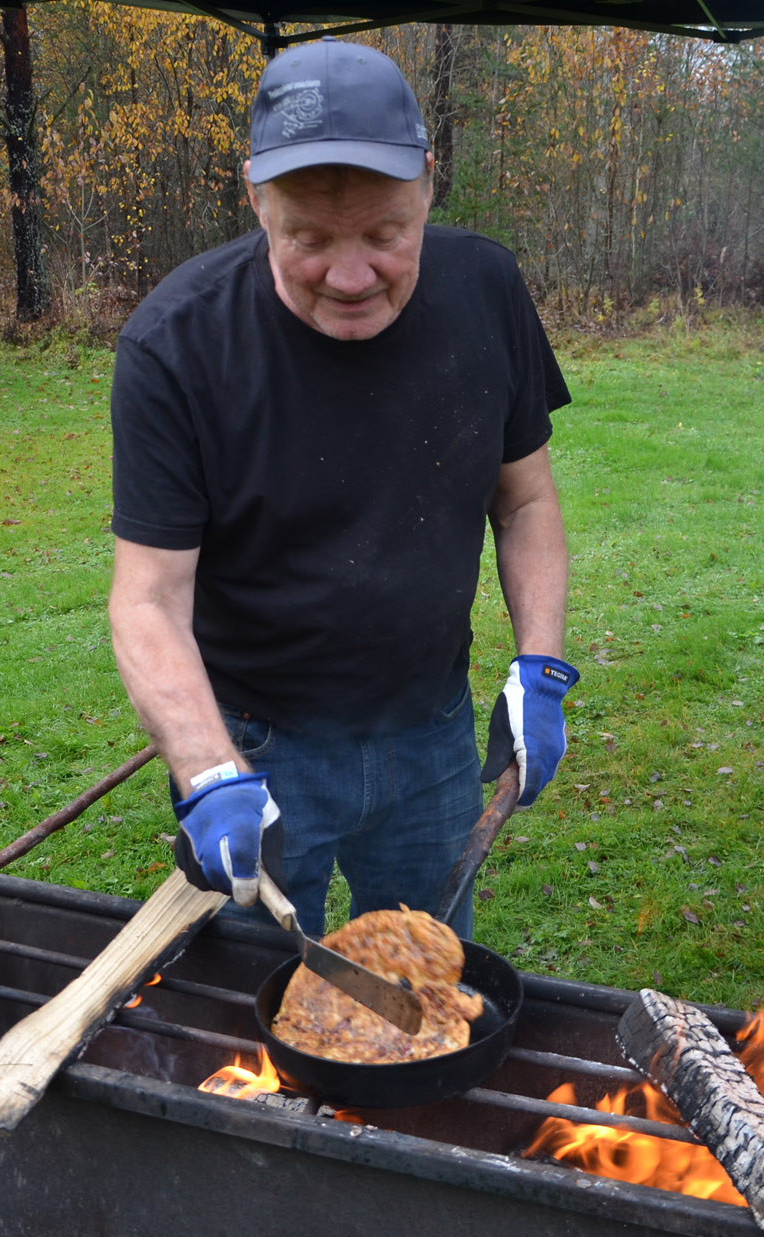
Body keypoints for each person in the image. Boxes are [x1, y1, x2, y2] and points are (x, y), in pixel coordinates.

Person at [107, 39, 575, 938]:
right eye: (310, 240)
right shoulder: (176, 346)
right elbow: (148, 599)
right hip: (259, 748)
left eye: (385, 235)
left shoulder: (487, 291)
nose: (351, 276)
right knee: (258, 1004)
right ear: (256, 198)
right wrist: (208, 769)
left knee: (426, 983)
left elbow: (524, 501)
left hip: (434, 733)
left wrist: (539, 666)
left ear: (428, 185)